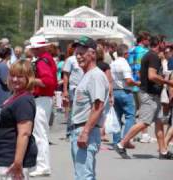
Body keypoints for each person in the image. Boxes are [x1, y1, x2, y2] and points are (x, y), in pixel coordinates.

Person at [114, 36, 173, 160]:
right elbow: (152, 76)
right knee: (144, 122)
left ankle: (163, 151)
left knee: (159, 123)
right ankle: (121, 144)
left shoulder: (149, 55)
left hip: (151, 94)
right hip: (149, 95)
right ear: (159, 44)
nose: (166, 46)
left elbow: (142, 73)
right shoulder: (153, 56)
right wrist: (168, 82)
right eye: (164, 43)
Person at [70, 36, 109, 180]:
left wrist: (85, 132)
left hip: (86, 130)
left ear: (92, 54)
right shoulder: (88, 75)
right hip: (80, 130)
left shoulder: (96, 76)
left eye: (82, 53)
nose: (78, 57)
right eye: (77, 54)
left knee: (83, 176)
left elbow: (97, 107)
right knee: (85, 175)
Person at [0, 60, 38, 180]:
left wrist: (18, 162)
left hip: (14, 158)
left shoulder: (24, 100)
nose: (14, 79)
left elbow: (24, 133)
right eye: (12, 75)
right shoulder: (15, 95)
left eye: (20, 76)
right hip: (7, 154)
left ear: (28, 78)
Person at [27, 35, 57, 177]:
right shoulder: (46, 58)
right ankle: (42, 164)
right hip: (44, 98)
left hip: (42, 98)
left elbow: (48, 81)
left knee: (40, 134)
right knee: (41, 133)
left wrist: (31, 81)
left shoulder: (42, 61)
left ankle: (43, 165)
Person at [110, 44, 140, 148]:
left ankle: (116, 141)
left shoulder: (112, 63)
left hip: (115, 91)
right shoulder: (124, 64)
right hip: (125, 92)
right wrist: (137, 83)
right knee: (130, 116)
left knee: (117, 117)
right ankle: (125, 140)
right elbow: (128, 81)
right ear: (126, 53)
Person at [127, 32, 152, 143]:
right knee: (144, 111)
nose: (149, 41)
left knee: (133, 111)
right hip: (141, 84)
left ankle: (129, 135)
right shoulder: (145, 52)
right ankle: (144, 135)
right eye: (148, 40)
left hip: (131, 84)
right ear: (143, 40)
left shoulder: (131, 51)